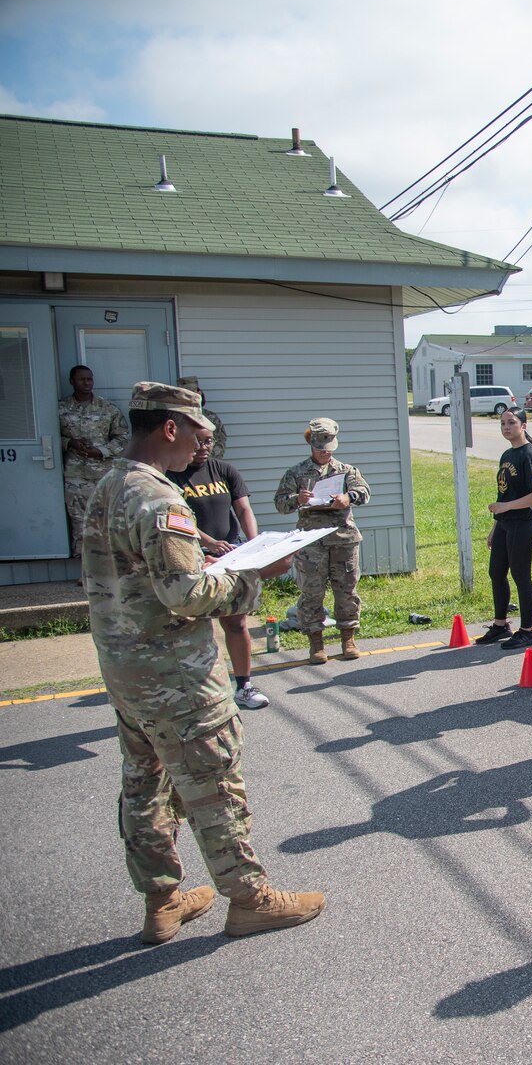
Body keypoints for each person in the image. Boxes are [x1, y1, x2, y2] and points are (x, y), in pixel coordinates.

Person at [85, 381, 323, 943]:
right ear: (171, 428)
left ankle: (162, 902)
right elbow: (186, 594)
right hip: (176, 676)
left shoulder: (111, 486)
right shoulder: (161, 498)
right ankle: (248, 898)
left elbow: (139, 568)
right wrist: (249, 575)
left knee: (146, 786)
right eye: (199, 433)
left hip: (125, 670)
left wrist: (206, 551)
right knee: (214, 781)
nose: (203, 446)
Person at [166, 427, 271, 711]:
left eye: (208, 440)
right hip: (194, 555)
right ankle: (199, 692)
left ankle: (244, 686)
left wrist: (253, 544)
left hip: (231, 555)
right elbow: (178, 520)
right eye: (198, 440)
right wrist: (210, 543)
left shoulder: (224, 470)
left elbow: (244, 510)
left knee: (236, 622)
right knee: (196, 625)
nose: (204, 446)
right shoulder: (170, 475)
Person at [273, 417, 370, 663]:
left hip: (343, 538)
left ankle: (348, 638)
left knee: (346, 590)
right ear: (311, 445)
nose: (325, 453)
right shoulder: (295, 473)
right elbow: (280, 503)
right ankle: (316, 643)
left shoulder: (347, 470)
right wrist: (298, 499)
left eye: (329, 449)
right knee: (312, 592)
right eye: (320, 449)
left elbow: (364, 492)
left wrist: (349, 497)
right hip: (311, 541)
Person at [474, 408, 532, 651]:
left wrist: (507, 506)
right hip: (505, 523)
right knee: (496, 572)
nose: (506, 427)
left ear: (523, 425)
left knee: (520, 575)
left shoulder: (530, 455)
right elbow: (504, 491)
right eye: (503, 423)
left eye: (512, 422)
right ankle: (500, 625)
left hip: (524, 523)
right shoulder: (507, 454)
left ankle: (527, 630)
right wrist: (496, 525)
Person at [59, 364, 130, 558]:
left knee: (108, 521)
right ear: (72, 381)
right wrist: (69, 442)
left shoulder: (108, 409)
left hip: (103, 475)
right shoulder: (61, 408)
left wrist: (101, 451)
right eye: (81, 379)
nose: (86, 382)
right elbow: (48, 437)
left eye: (89, 379)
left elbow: (123, 437)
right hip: (75, 476)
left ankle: (110, 568)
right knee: (80, 522)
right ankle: (85, 570)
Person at [177, 376, 227, 458]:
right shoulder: (175, 417)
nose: (188, 398)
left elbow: (220, 443)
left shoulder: (211, 417)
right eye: (185, 394)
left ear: (199, 393)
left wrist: (208, 462)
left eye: (191, 394)